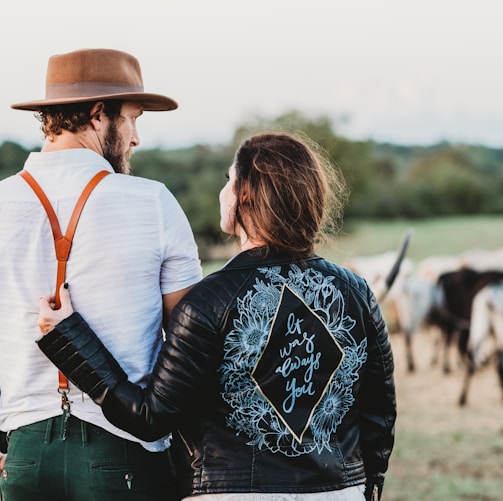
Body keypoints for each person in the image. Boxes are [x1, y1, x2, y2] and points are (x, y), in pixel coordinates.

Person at [37, 132, 397, 501]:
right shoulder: (357, 292)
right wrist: (366, 485)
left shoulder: (207, 302)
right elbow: (379, 417)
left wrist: (69, 336)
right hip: (341, 492)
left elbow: (150, 418)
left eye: (229, 179)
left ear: (244, 194)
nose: (222, 191)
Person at [0, 48, 202, 500]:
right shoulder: (153, 202)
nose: (136, 139)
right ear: (97, 115)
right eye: (132, 119)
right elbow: (191, 343)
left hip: (23, 456)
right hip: (126, 451)